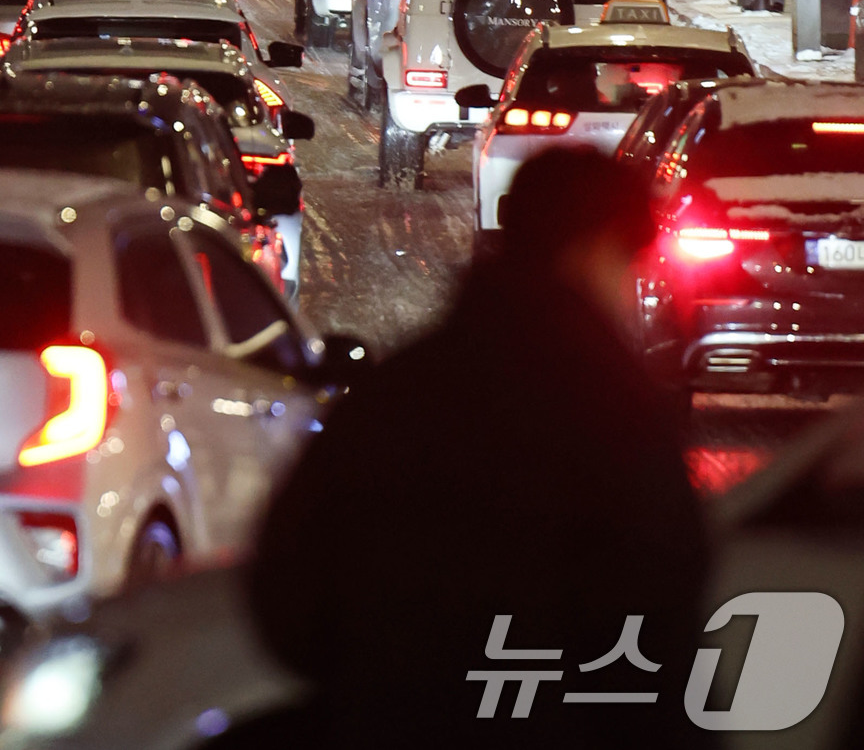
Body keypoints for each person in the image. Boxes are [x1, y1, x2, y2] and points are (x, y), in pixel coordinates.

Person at [248, 149, 708, 746]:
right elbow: (662, 608)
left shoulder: (397, 395)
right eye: (628, 263)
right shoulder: (613, 414)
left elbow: (287, 591)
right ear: (595, 248)